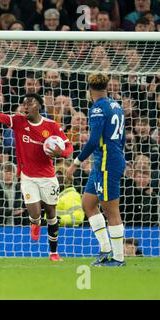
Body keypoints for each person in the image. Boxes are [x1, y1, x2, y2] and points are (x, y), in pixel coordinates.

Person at [0, 92, 73, 261]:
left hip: (48, 177)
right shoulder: (18, 122)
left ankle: (53, 253)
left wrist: (61, 153)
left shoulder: (52, 126)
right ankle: (35, 223)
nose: (25, 106)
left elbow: (69, 148)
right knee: (35, 213)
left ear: (39, 106)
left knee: (52, 214)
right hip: (27, 177)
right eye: (24, 103)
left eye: (29, 103)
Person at [66, 74, 126, 267]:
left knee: (111, 211)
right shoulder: (116, 106)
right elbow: (122, 138)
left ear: (89, 90)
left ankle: (118, 259)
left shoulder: (98, 108)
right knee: (88, 203)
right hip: (104, 162)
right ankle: (105, 249)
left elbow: (93, 140)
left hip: (107, 163)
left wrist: (76, 163)